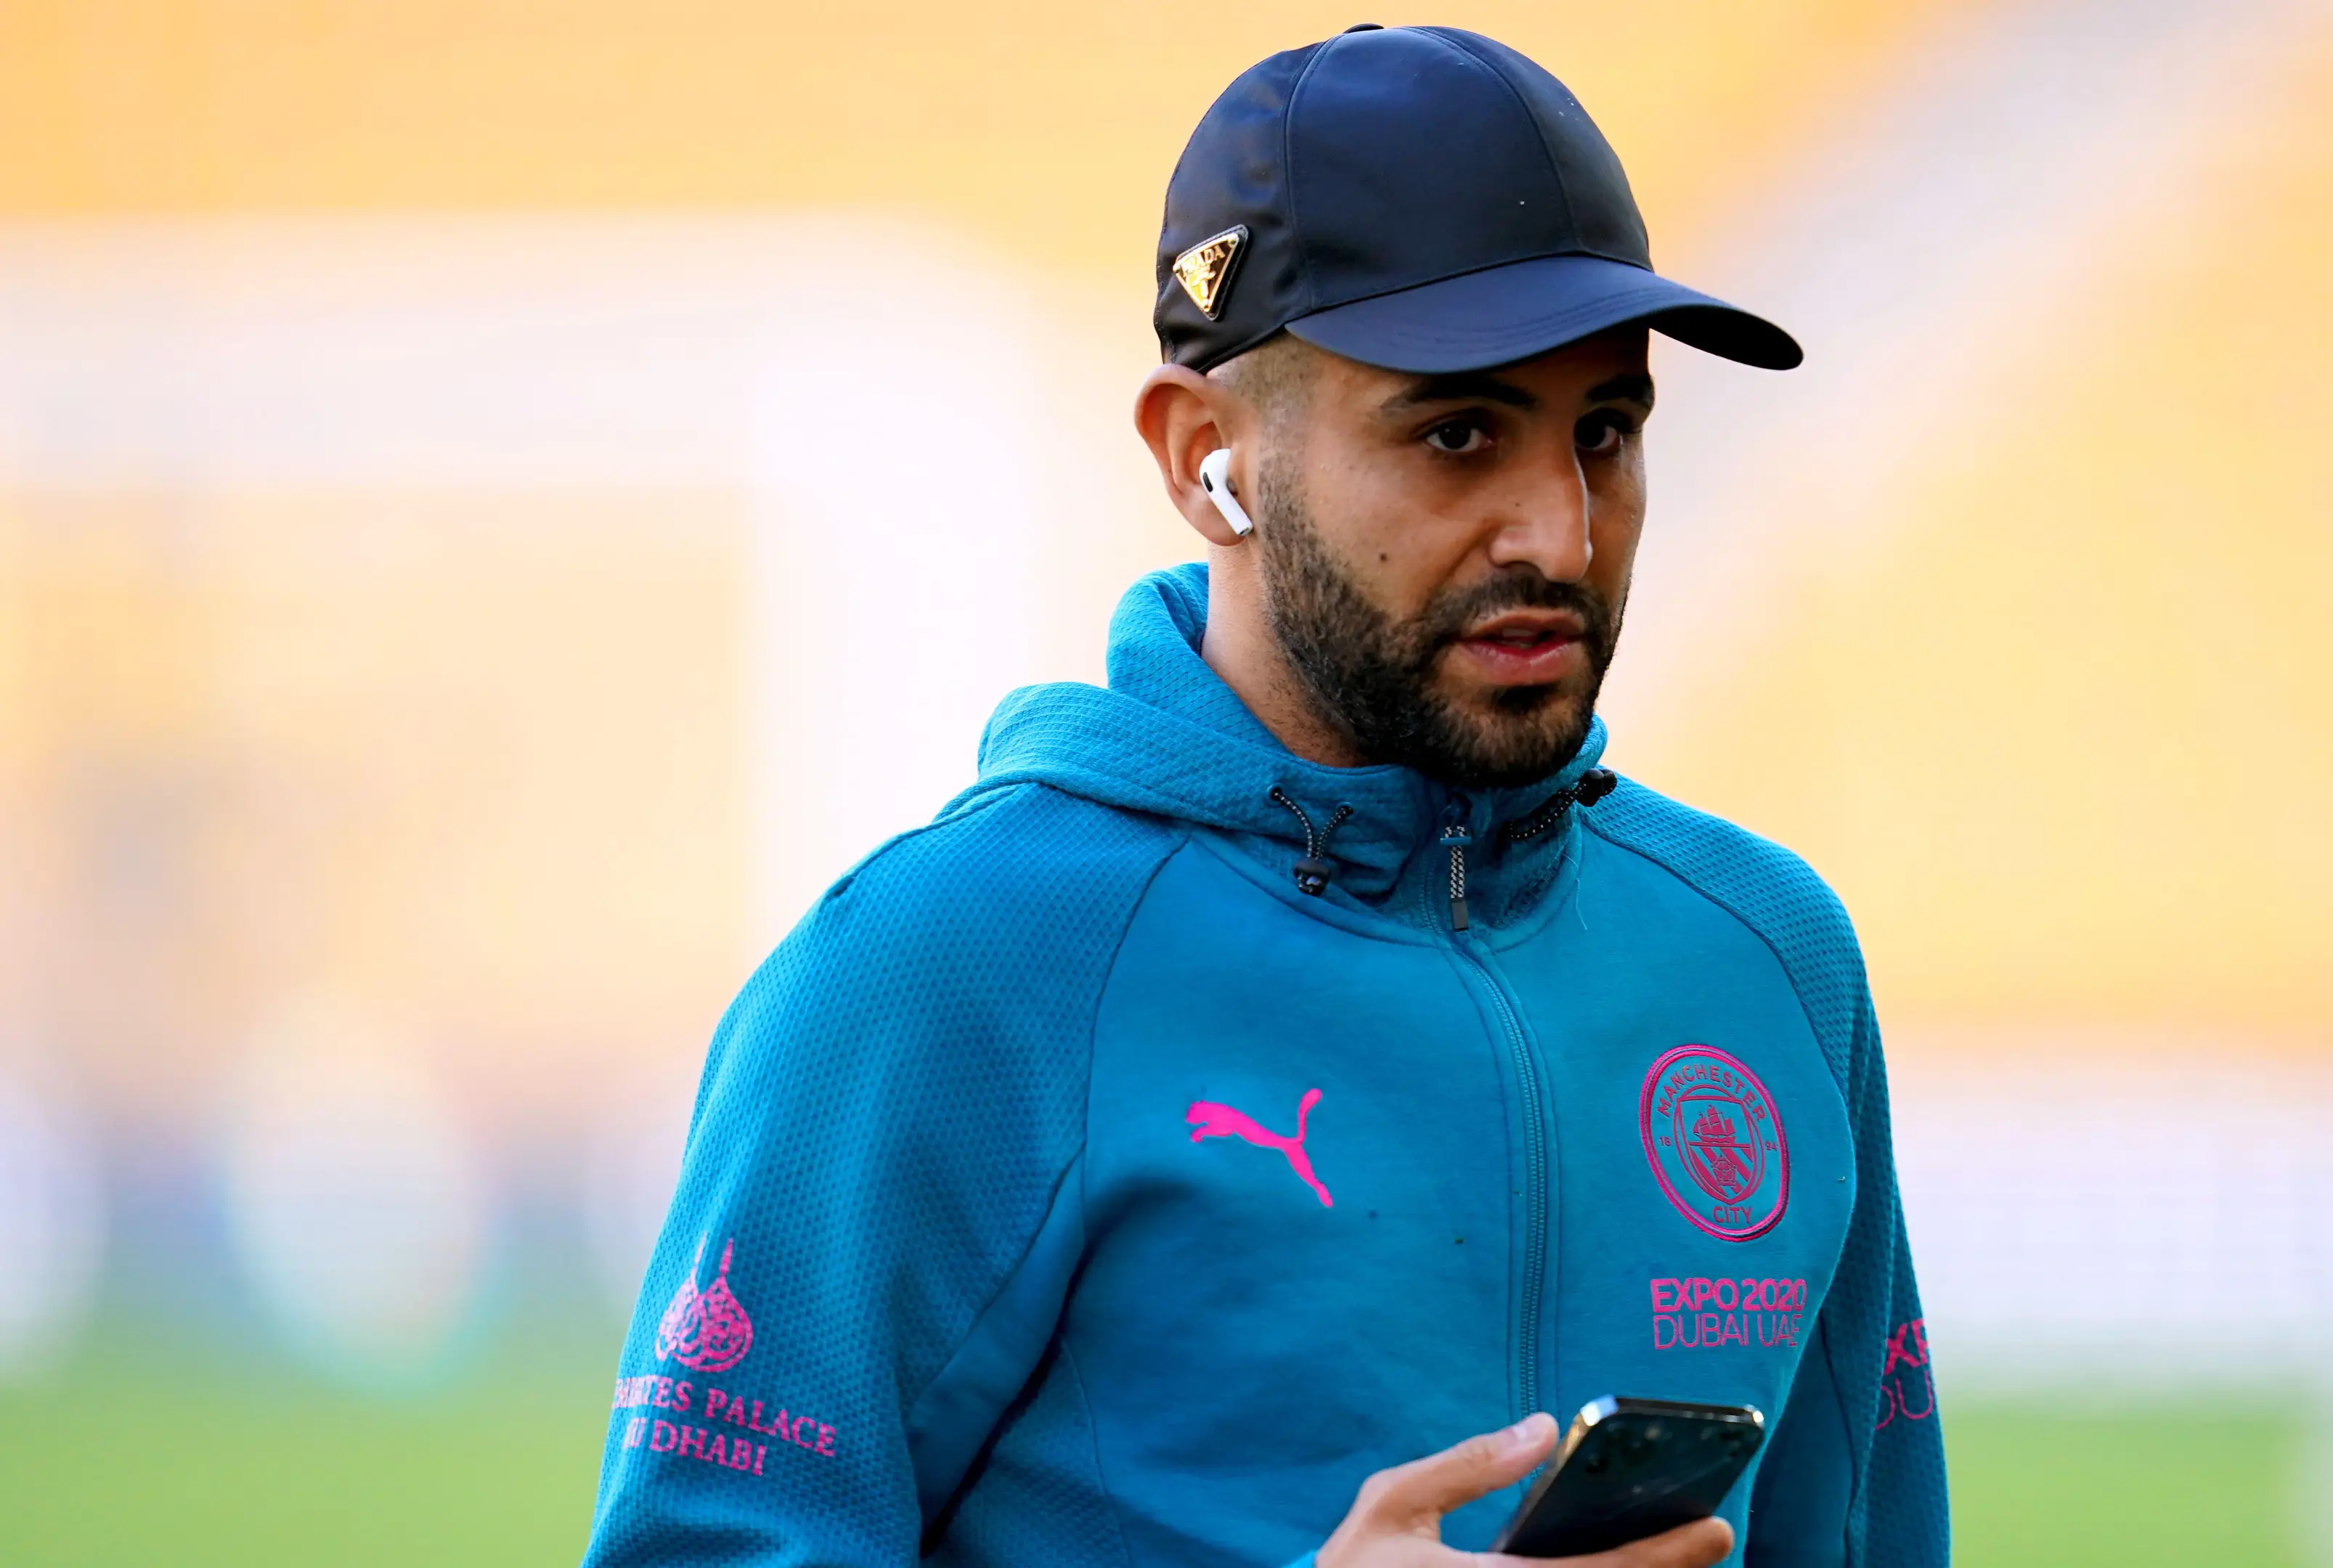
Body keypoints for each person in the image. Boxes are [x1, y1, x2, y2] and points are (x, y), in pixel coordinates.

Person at [581, 24, 1945, 1568]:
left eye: (1605, 435)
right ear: (1203, 456)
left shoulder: (1770, 959)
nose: (1561, 536)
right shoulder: (939, 967)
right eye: (1457, 434)